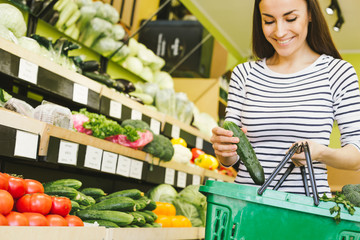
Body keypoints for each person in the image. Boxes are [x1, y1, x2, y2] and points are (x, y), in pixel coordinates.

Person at [210, 0, 360, 196]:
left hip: (306, 211)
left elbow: (356, 157)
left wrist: (320, 153)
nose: (280, 32)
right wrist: (224, 152)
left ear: (310, 14)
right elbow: (232, 159)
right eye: (269, 21)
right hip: (247, 206)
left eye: (290, 18)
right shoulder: (243, 74)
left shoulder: (338, 73)